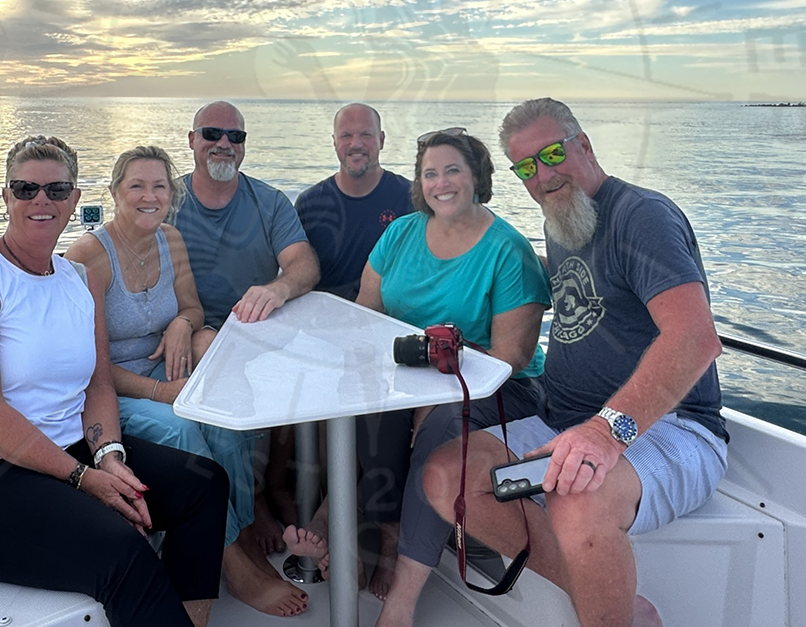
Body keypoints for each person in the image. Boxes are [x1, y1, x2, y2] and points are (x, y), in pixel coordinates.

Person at [422, 100, 728, 627]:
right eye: (525, 167)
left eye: (553, 154)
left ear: (583, 145)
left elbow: (695, 339)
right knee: (447, 476)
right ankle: (616, 603)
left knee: (577, 497)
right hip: (563, 416)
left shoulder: (640, 216)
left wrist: (605, 434)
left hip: (670, 426)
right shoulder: (563, 221)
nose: (542, 175)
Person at [0, 136, 229, 627]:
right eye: (26, 188)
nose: (42, 201)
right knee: (120, 548)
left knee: (202, 487)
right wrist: (82, 478)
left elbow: (98, 384)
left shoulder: (78, 279)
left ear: (75, 200)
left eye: (57, 190)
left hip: (69, 452)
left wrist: (109, 457)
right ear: (6, 196)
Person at [283, 129, 549, 627]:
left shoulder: (507, 251)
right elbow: (367, 313)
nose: (440, 183)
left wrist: (432, 384)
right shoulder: (402, 233)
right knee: (357, 397)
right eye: (430, 173)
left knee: (440, 428)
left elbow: (510, 357)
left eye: (452, 171)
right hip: (407, 372)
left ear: (477, 178)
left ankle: (400, 596)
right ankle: (353, 521)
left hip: (495, 387)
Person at [64, 146, 258, 575]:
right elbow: (82, 364)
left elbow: (192, 308)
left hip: (165, 368)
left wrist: (182, 325)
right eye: (136, 185)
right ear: (115, 192)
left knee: (224, 416)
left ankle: (241, 529)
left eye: (159, 186)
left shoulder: (170, 239)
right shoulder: (89, 257)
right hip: (112, 387)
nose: (149, 196)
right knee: (182, 427)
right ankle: (231, 561)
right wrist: (160, 392)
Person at [176, 101, 322, 616]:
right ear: (191, 140)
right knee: (222, 411)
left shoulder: (267, 202)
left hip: (256, 333)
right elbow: (122, 257)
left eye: (234, 136)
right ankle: (238, 535)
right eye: (212, 133)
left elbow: (303, 263)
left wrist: (277, 288)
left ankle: (261, 503)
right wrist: (190, 324)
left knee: (311, 385)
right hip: (188, 335)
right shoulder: (166, 202)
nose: (224, 144)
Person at [296, 103, 413, 301]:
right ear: (334, 142)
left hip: (387, 316)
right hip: (322, 315)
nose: (356, 144)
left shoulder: (409, 198)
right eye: (346, 136)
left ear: (381, 140)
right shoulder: (309, 203)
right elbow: (297, 270)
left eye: (366, 135)